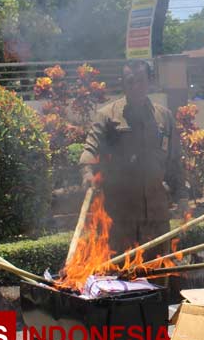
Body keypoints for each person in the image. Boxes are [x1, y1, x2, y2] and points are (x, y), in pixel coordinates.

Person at [79, 59, 187, 257]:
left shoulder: (164, 117)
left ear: (150, 82)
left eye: (140, 81)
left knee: (159, 274)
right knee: (121, 279)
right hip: (120, 218)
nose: (135, 86)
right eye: (130, 81)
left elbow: (174, 162)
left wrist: (182, 197)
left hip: (156, 216)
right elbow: (90, 149)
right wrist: (87, 172)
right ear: (123, 83)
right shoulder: (106, 116)